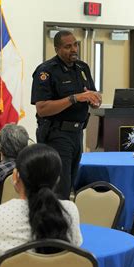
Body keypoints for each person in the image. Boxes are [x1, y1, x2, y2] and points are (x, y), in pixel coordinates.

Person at [31, 30, 102, 199]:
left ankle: (65, 220)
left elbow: (91, 93)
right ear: (57, 49)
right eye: (68, 46)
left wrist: (95, 99)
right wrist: (74, 98)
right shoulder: (46, 71)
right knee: (59, 188)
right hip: (56, 134)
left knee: (70, 184)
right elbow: (42, 108)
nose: (74, 49)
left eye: (75, 44)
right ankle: (54, 223)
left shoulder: (82, 68)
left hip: (77, 134)